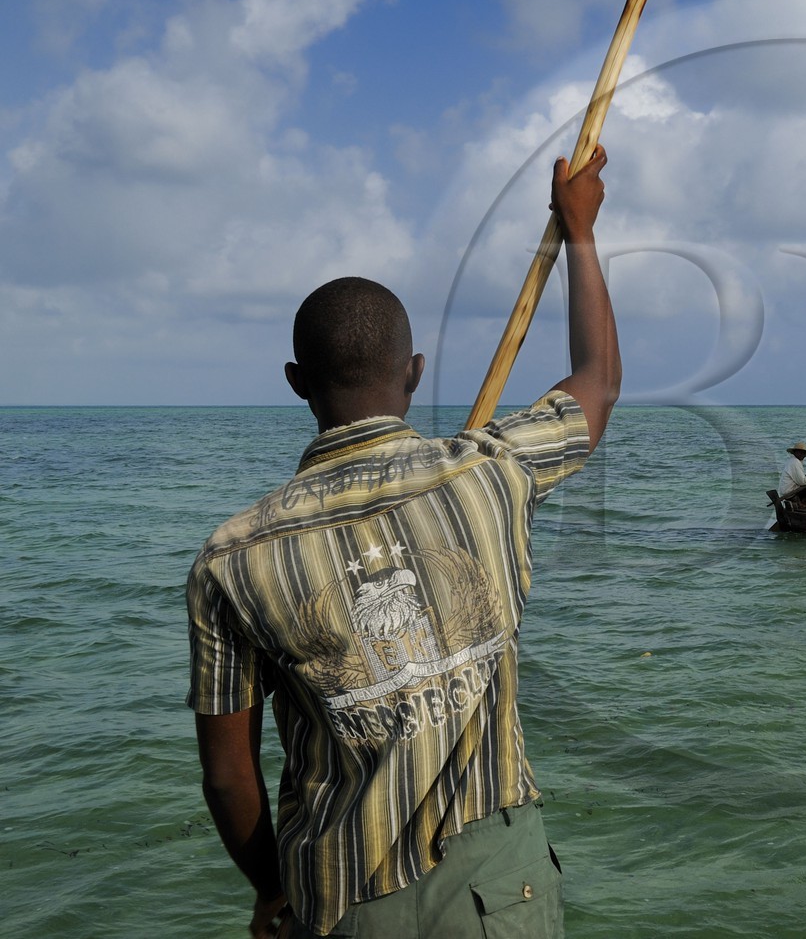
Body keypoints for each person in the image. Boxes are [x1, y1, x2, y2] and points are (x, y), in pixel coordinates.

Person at [186, 147, 619, 938]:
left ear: (295, 380)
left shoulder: (230, 559)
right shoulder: (488, 472)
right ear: (413, 371)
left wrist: (273, 887)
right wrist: (579, 231)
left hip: (343, 899)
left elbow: (228, 774)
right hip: (498, 891)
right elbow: (597, 380)